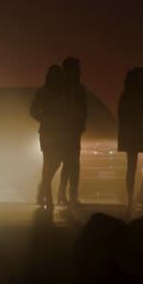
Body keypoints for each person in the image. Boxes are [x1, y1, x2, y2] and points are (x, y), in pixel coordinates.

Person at [30, 65, 73, 209]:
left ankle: (43, 189)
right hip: (48, 132)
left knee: (55, 163)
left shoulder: (64, 93)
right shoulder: (43, 92)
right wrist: (44, 119)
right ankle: (47, 197)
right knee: (49, 163)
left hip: (59, 132)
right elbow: (33, 110)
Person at [118, 67, 143, 217]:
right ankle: (133, 199)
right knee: (134, 167)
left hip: (140, 133)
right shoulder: (132, 95)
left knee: (141, 165)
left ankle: (138, 195)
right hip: (136, 134)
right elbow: (123, 115)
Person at [57, 57, 88, 207]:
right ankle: (67, 195)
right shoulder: (64, 89)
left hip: (72, 131)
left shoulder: (75, 89)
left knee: (71, 164)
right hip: (66, 131)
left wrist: (80, 126)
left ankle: (66, 194)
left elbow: (83, 110)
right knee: (70, 164)